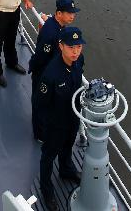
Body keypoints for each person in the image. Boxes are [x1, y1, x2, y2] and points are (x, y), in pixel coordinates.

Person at [34, 26, 85, 211]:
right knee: (48, 156)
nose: (76, 51)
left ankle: (66, 169)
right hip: (55, 124)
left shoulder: (79, 62)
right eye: (71, 47)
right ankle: (47, 190)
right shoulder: (51, 75)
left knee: (68, 146)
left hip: (73, 118)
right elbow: (40, 104)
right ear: (61, 46)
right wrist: (49, 127)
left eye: (79, 46)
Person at [29, 0, 80, 141]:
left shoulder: (57, 25)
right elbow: (41, 57)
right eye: (69, 13)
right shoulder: (50, 32)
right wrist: (40, 75)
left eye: (73, 13)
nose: (72, 16)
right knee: (40, 104)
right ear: (59, 14)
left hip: (51, 73)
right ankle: (39, 135)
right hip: (43, 74)